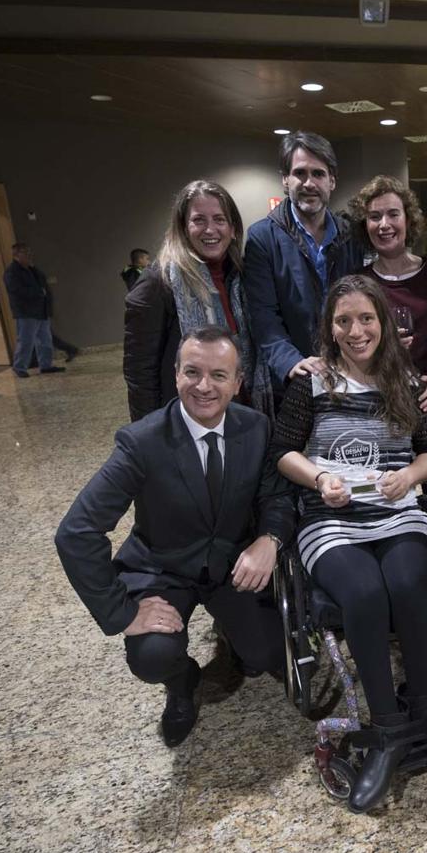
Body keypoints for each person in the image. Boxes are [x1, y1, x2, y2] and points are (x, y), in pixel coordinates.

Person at [270, 275, 427, 812]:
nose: (356, 330)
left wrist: (410, 476)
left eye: (366, 318)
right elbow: (283, 451)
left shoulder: (407, 384)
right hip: (330, 514)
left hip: (396, 509)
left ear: (383, 323)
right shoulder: (311, 382)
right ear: (330, 328)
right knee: (363, 593)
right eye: (344, 321)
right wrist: (319, 479)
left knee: (408, 581)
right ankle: (387, 730)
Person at [55, 327, 292, 748]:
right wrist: (123, 612)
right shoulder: (141, 442)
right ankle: (183, 682)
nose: (204, 386)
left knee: (268, 654)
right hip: (162, 567)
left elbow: (276, 496)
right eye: (192, 372)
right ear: (176, 375)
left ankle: (234, 636)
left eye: (219, 375)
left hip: (230, 567)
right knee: (152, 656)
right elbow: (76, 532)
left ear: (238, 383)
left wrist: (269, 539)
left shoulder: (256, 428)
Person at [348, 176, 427, 540]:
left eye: (392, 214)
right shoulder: (358, 282)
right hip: (378, 399)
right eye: (374, 217)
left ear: (409, 220)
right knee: (382, 491)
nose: (384, 225)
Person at [124, 181, 270, 422]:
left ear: (233, 228)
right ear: (183, 227)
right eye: (199, 220)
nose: (210, 229)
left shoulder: (243, 277)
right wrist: (150, 432)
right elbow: (140, 374)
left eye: (219, 219)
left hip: (243, 414)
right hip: (184, 421)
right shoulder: (157, 283)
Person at [242, 131, 362, 395]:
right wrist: (291, 362)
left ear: (332, 181)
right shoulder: (262, 238)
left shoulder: (350, 235)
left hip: (349, 373)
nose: (309, 183)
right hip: (293, 380)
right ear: (285, 180)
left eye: (318, 174)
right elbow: (263, 316)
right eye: (300, 173)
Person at [3, 242, 65, 378]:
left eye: (30, 252)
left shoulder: (31, 270)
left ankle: (46, 365)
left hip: (40, 311)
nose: (29, 255)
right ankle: (19, 367)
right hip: (26, 312)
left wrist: (34, 270)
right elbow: (16, 291)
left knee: (45, 340)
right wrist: (38, 292)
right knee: (26, 340)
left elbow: (42, 282)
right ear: (16, 255)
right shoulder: (12, 272)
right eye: (25, 253)